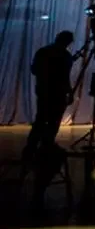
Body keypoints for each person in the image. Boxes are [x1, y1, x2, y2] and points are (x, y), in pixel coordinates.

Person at [23, 31, 77, 160]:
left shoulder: (44, 51)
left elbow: (34, 70)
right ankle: (47, 144)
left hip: (44, 90)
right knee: (53, 120)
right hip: (57, 92)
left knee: (41, 119)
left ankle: (32, 146)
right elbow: (65, 77)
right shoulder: (65, 55)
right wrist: (69, 92)